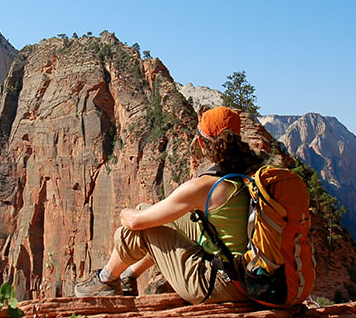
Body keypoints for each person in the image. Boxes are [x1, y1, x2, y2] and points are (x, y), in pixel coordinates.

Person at [74, 106, 266, 304]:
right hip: (249, 276)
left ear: (201, 142)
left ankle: (105, 281)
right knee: (153, 215)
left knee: (137, 223)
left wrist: (123, 212)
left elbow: (134, 222)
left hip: (220, 285)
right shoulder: (249, 174)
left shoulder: (204, 187)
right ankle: (127, 277)